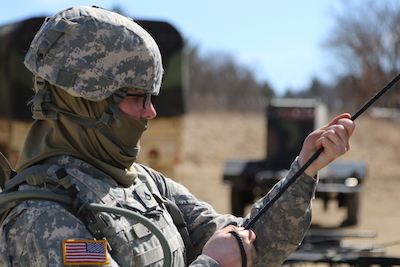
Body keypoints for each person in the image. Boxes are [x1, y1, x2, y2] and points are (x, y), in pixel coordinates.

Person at [0, 6, 355, 267]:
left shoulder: (144, 184)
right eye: (138, 98)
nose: (150, 113)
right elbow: (224, 256)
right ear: (89, 102)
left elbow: (249, 243)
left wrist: (304, 170)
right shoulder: (42, 216)